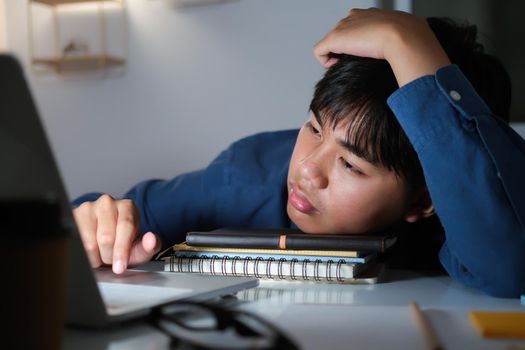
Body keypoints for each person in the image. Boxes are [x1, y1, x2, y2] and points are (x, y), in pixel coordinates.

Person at [72, 8, 525, 298]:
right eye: (313, 127)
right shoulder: (247, 175)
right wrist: (98, 222)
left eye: (350, 163)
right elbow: (107, 215)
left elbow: (506, 268)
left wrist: (405, 39)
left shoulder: (468, 204)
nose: (308, 168)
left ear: (424, 199)